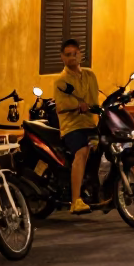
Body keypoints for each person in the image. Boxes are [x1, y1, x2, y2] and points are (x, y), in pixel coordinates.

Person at [54, 38, 101, 214]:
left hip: (90, 124)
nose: (72, 57)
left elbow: (96, 99)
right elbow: (61, 105)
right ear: (62, 57)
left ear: (80, 54)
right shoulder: (61, 80)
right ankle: (76, 201)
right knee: (82, 151)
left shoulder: (90, 75)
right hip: (72, 126)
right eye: (68, 55)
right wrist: (77, 106)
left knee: (104, 146)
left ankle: (97, 188)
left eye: (75, 53)